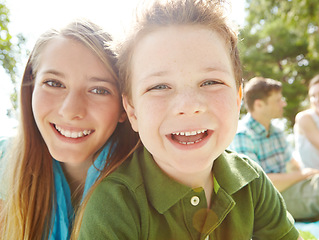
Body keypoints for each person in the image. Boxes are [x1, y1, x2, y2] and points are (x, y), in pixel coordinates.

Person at [74, 1, 302, 239]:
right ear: (132, 112)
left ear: (237, 99)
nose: (189, 106)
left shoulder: (251, 180)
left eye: (211, 82)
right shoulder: (114, 205)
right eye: (159, 86)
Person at [0, 20, 139, 239]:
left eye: (98, 90)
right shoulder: (3, 163)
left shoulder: (148, 184)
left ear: (125, 106)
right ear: (31, 88)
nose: (71, 110)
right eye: (54, 83)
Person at [229, 76, 319, 228]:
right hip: (266, 202)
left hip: (286, 192)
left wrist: (305, 174)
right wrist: (305, 174)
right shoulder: (243, 135)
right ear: (259, 105)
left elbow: (292, 166)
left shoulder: (276, 133)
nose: (283, 103)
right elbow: (258, 186)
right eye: (278, 100)